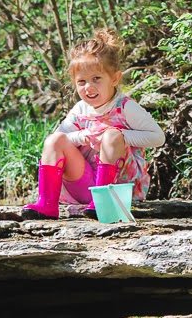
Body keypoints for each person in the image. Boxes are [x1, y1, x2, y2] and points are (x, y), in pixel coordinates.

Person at [21, 28, 164, 219]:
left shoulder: (124, 107)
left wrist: (120, 136)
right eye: (82, 82)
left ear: (114, 78)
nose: (89, 87)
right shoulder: (80, 109)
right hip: (84, 182)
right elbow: (60, 140)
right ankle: (47, 204)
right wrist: (83, 137)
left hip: (117, 189)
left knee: (112, 135)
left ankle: (102, 202)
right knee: (54, 140)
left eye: (96, 79)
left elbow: (158, 137)